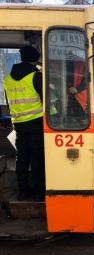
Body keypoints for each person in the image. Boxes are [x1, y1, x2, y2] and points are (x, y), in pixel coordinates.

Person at [4, 45, 45, 202]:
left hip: (18, 123)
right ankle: (39, 193)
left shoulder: (7, 78)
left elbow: (9, 103)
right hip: (36, 122)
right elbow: (47, 101)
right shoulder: (36, 76)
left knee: (21, 159)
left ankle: (23, 191)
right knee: (37, 159)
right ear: (36, 59)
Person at [66, 57, 87, 125]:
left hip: (79, 97)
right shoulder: (61, 62)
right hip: (66, 95)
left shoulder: (83, 63)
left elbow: (87, 80)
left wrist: (77, 89)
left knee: (80, 120)